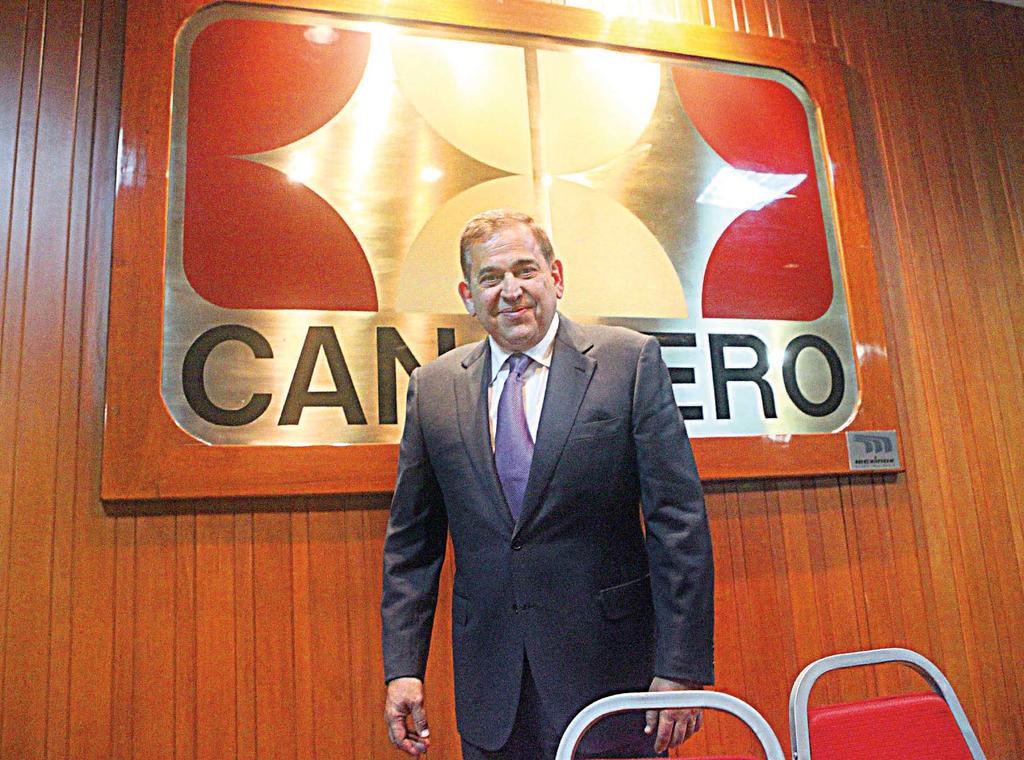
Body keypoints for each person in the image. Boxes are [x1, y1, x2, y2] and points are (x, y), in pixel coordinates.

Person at [381, 209, 714, 759]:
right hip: (492, 689)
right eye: (490, 278)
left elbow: (677, 524)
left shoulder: (628, 362)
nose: (510, 291)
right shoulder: (432, 388)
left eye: (525, 270)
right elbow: (411, 547)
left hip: (612, 678)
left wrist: (679, 666)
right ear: (468, 296)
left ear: (555, 277)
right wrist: (403, 669)